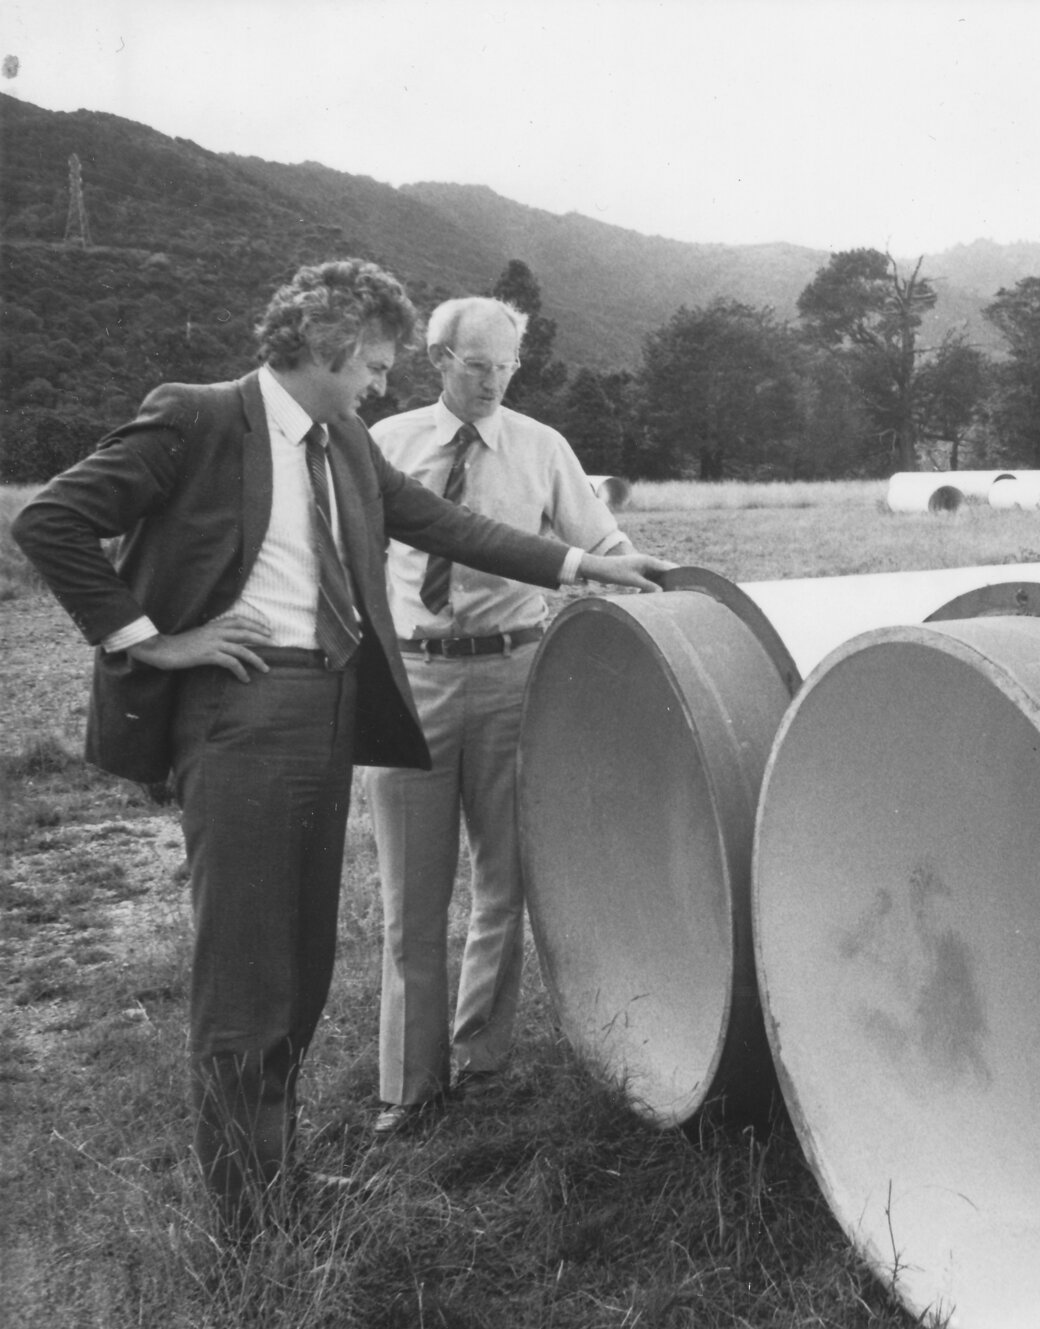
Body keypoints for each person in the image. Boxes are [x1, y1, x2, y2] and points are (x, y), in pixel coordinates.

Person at [10, 259, 675, 1239]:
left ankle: (272, 1179)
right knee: (247, 971)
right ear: (322, 350)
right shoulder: (198, 416)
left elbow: (448, 525)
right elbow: (52, 521)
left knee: (304, 961)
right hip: (237, 713)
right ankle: (249, 1221)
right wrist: (151, 639)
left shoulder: (343, 444)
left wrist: (585, 565)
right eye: (370, 364)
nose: (378, 383)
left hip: (327, 708)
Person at [364, 297, 626, 1135]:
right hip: (416, 680)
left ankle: (481, 1060)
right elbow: (349, 561)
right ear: (438, 358)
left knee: (504, 881)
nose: (493, 381)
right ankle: (411, 1084)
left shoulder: (544, 448)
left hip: (517, 675)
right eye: (477, 365)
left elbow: (602, 544)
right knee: (412, 891)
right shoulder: (386, 445)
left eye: (507, 365)